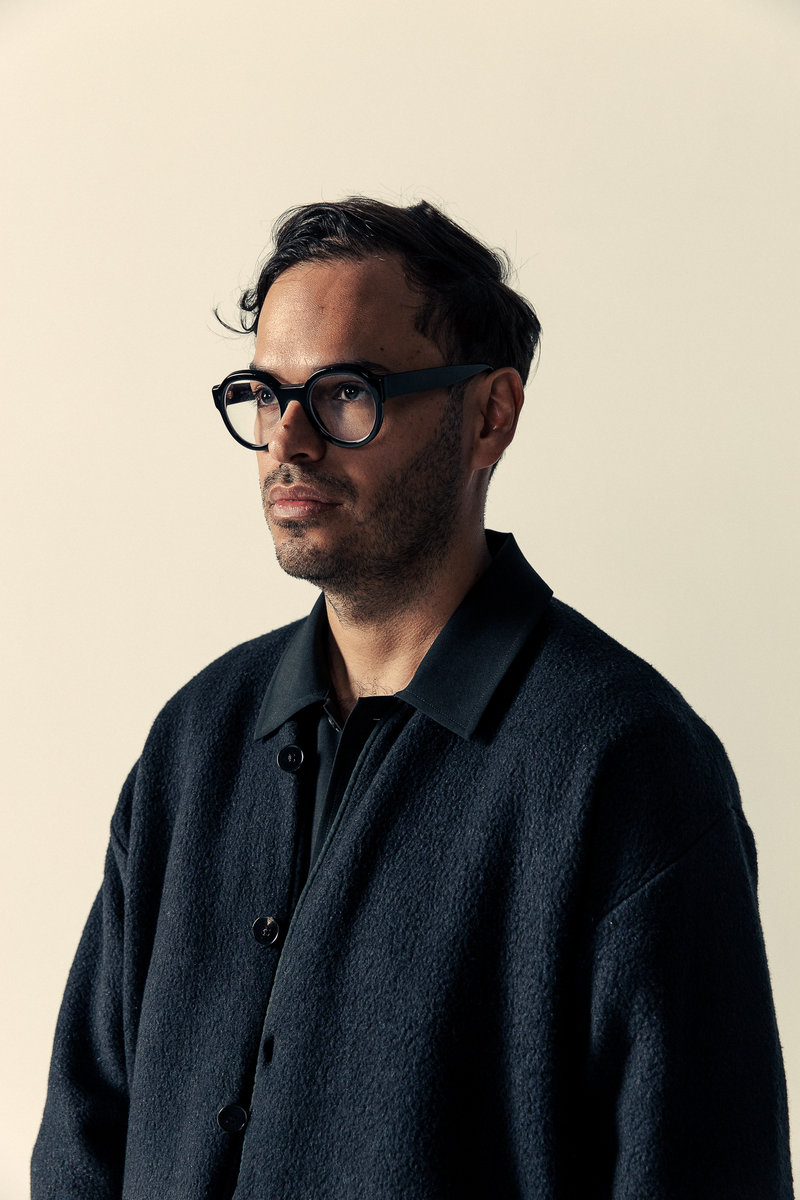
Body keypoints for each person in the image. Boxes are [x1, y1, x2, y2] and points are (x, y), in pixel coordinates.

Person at [32, 197, 793, 1199]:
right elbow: (83, 1141)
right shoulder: (198, 737)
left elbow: (702, 1170)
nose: (288, 441)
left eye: (346, 392)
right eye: (264, 394)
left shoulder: (623, 762)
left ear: (490, 416)